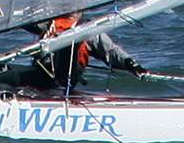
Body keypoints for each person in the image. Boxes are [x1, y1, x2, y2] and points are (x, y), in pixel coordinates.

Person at [8, 13, 145, 93]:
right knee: (2, 71)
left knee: (70, 39)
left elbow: (110, 50)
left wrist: (130, 64)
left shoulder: (87, 29)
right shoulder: (51, 22)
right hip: (41, 74)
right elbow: (26, 21)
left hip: (64, 78)